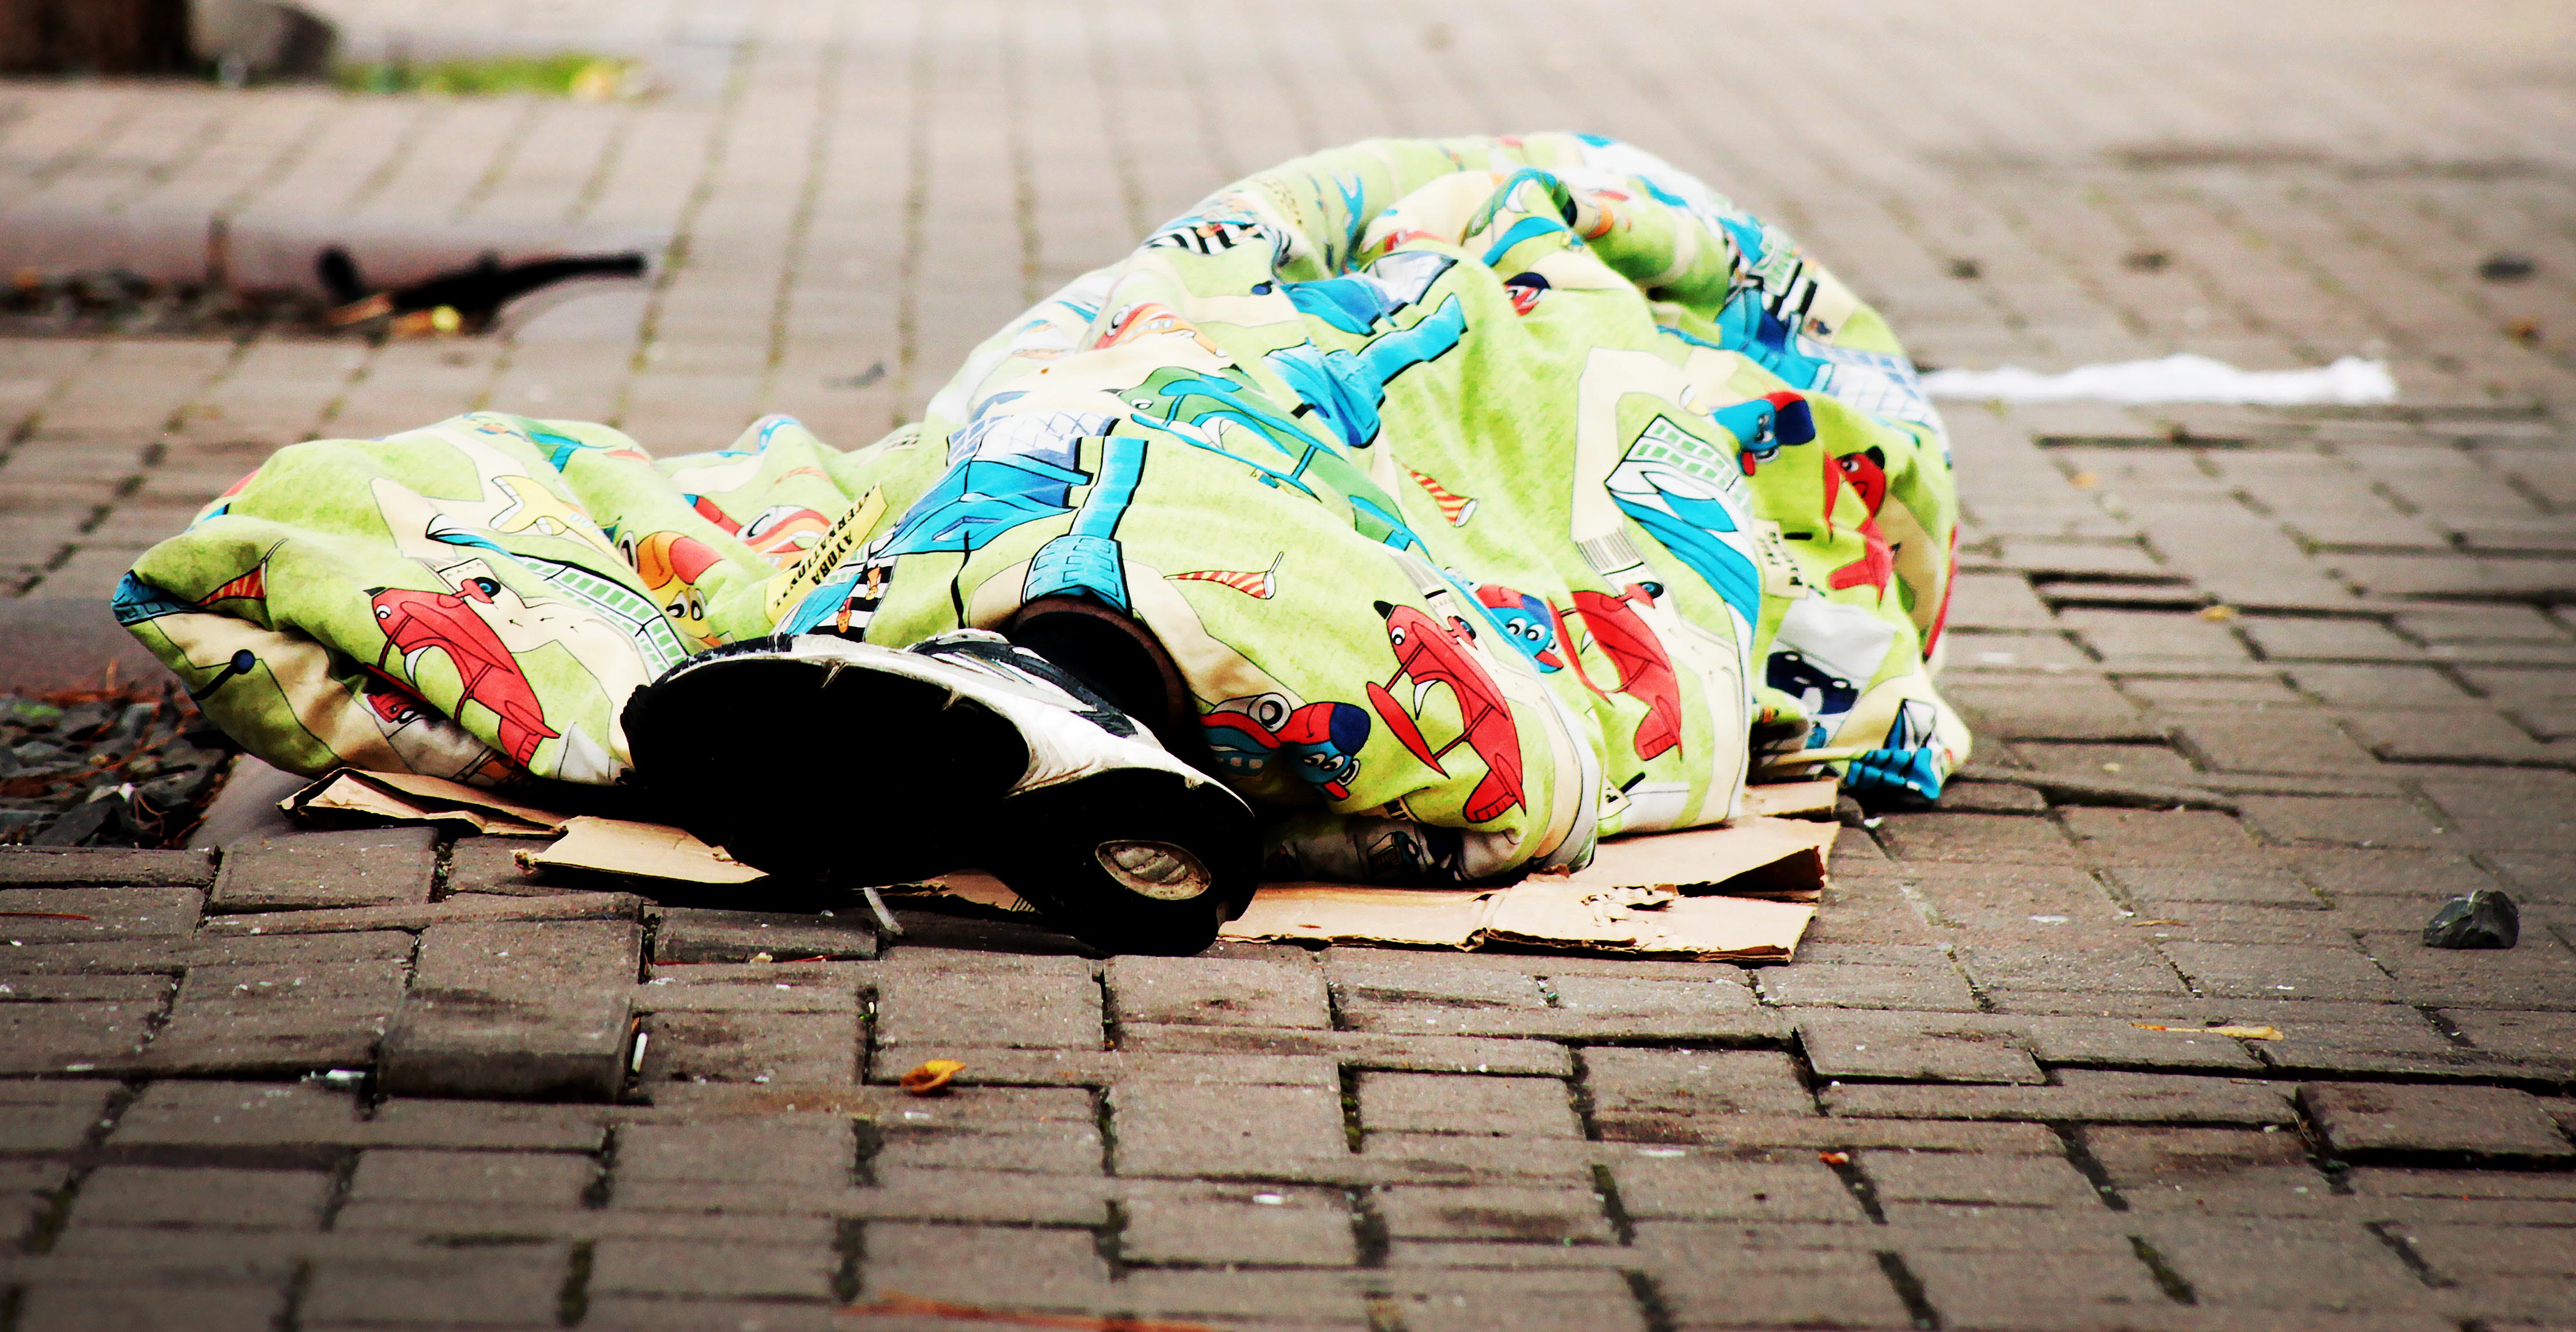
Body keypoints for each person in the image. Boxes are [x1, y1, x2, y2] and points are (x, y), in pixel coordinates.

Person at [113, 135, 1968, 957]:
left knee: (1159, 447)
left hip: (1397, 438)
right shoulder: (1404, 232)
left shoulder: (1623, 323)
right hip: (1184, 376)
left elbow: (1793, 495)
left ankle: (1035, 682)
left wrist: (1522, 328)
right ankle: (1072, 702)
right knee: (1101, 407)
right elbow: (1235, 260)